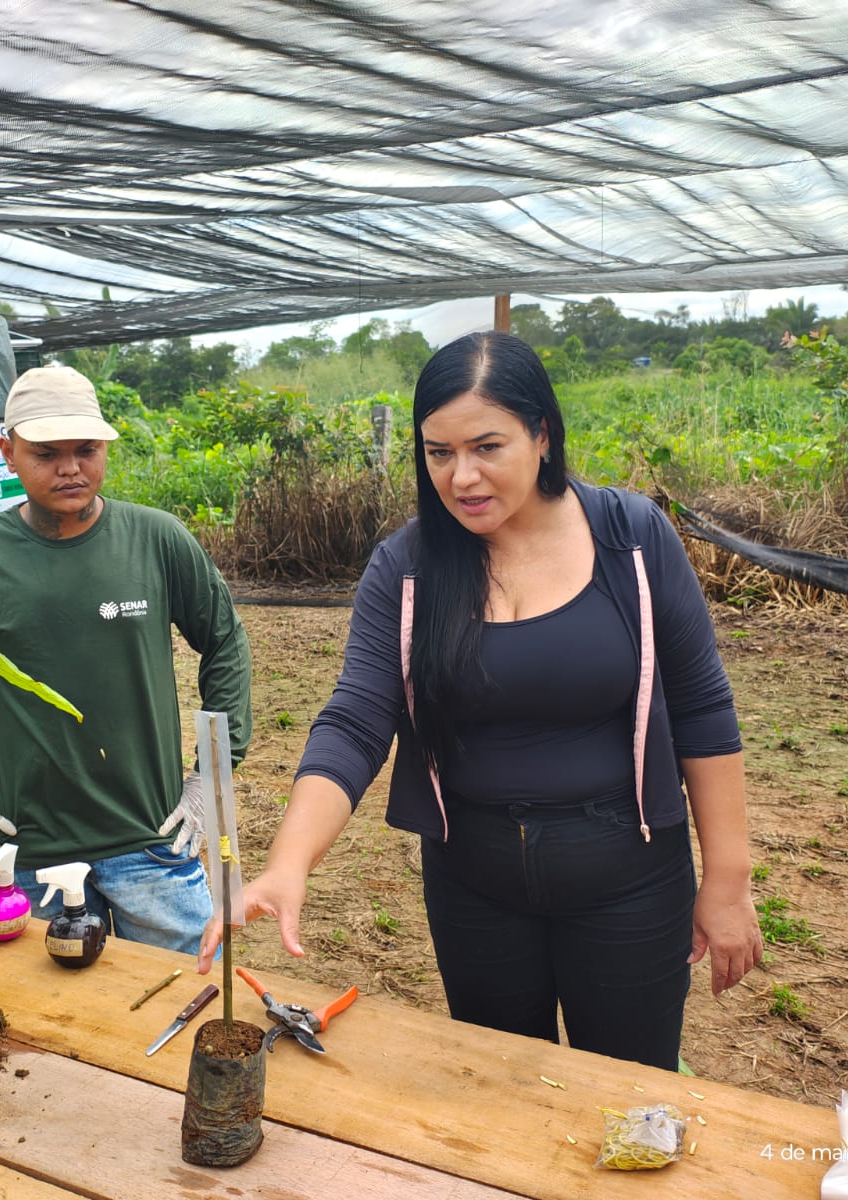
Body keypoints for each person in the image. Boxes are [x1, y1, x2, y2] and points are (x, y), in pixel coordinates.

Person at [200, 331, 761, 1071]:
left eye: (486, 447)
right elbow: (357, 720)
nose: (461, 477)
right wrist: (289, 864)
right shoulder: (407, 567)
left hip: (629, 882)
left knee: (626, 1090)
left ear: (542, 434)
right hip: (476, 890)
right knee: (503, 1085)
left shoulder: (631, 539)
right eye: (438, 453)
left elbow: (702, 710)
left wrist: (728, 881)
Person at [0, 364, 252, 954]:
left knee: (183, 1002)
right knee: (60, 1028)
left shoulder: (156, 540)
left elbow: (224, 642)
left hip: (154, 839)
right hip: (32, 848)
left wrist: (211, 778)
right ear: (8, 452)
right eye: (46, 452)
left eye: (86, 449)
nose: (70, 468)